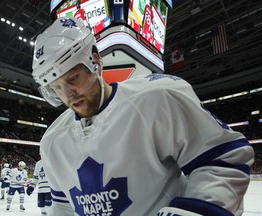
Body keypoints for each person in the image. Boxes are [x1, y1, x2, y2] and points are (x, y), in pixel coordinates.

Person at [31, 17, 254, 215]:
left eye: (73, 79)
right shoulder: (52, 142)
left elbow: (223, 160)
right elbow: (64, 208)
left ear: (95, 61)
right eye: (56, 88)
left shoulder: (157, 97)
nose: (68, 95)